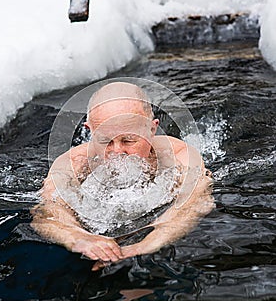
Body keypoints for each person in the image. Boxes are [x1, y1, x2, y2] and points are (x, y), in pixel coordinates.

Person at [31, 82, 214, 269]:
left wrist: (144, 245)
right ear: (89, 131)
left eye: (128, 140)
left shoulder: (178, 156)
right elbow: (48, 212)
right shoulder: (73, 163)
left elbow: (194, 203)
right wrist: (80, 237)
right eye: (104, 140)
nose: (117, 152)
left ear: (152, 129)